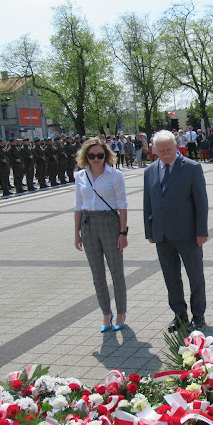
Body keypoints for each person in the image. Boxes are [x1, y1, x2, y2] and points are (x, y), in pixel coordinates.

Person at [143, 130, 209, 332]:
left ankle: (198, 314)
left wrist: (202, 231)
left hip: (188, 234)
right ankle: (179, 314)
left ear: (176, 146)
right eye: (161, 150)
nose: (165, 154)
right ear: (154, 150)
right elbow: (148, 202)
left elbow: (201, 202)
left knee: (195, 276)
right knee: (171, 277)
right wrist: (149, 231)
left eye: (169, 149)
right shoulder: (150, 171)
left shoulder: (191, 168)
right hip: (162, 235)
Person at [74, 137, 129, 332]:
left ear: (106, 155)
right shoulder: (80, 176)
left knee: (116, 271)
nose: (96, 159)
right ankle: (106, 313)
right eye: (92, 156)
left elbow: (122, 205)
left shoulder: (115, 175)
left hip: (109, 223)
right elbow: (78, 206)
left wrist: (123, 232)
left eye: (100, 155)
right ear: (85, 156)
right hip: (88, 224)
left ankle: (121, 311)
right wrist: (77, 234)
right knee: (97, 274)